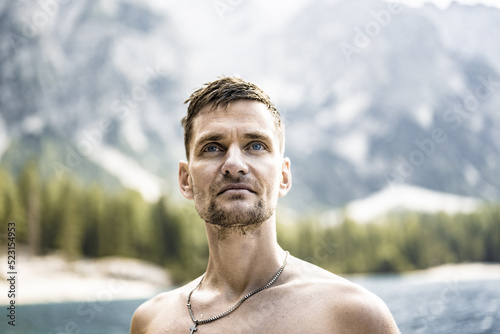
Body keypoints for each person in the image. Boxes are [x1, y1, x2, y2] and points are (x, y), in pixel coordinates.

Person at [130, 76, 400, 333]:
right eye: (212, 147)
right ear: (185, 179)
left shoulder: (354, 316)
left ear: (283, 176)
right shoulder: (150, 322)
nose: (234, 165)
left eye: (256, 145)